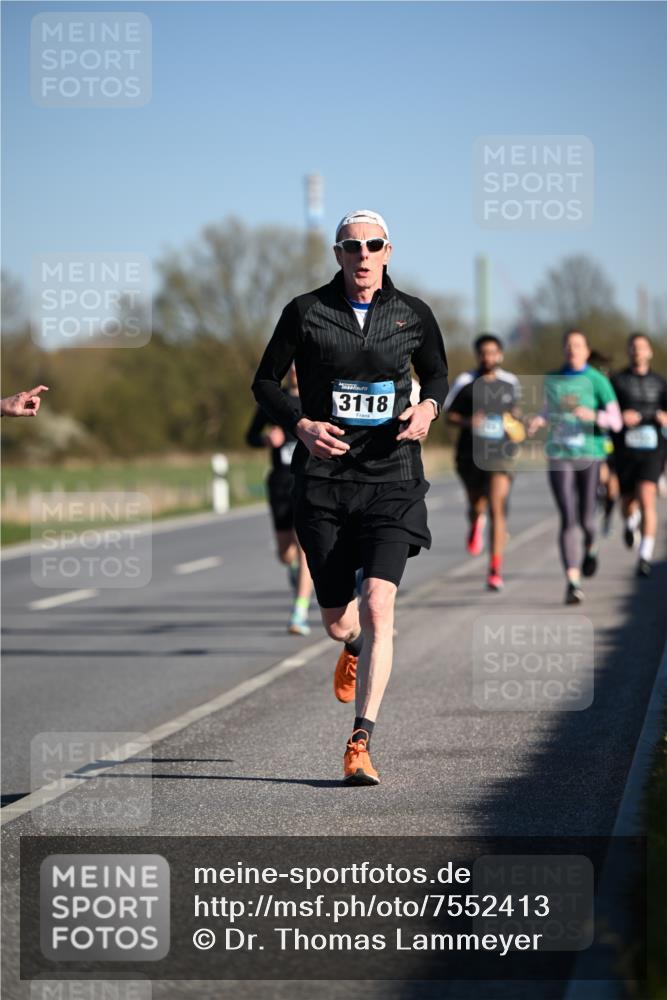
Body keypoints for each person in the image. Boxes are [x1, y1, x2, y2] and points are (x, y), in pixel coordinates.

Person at [252, 209, 448, 785]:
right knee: (341, 622)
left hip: (392, 479)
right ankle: (353, 646)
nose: (363, 255)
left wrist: (429, 408)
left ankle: (360, 742)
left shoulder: (413, 314)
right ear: (336, 253)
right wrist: (300, 423)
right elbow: (264, 381)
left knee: (380, 604)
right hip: (324, 482)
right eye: (351, 245)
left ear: (389, 251)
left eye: (374, 245)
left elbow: (436, 374)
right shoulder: (305, 311)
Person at [528, 330, 621, 604]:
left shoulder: (598, 380)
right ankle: (572, 580)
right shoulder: (553, 379)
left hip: (588, 453)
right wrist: (539, 420)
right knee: (567, 517)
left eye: (577, 345)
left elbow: (616, 421)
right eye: (568, 345)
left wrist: (593, 415)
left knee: (585, 518)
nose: (572, 349)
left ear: (587, 350)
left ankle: (591, 546)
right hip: (559, 452)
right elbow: (548, 410)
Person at [444, 334, 523, 590]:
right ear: (477, 355)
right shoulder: (465, 381)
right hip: (470, 455)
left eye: (493, 352)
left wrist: (517, 422)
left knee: (498, 508)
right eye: (483, 353)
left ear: (500, 355)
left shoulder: (510, 382)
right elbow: (448, 414)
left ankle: (495, 570)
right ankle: (475, 519)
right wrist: (468, 422)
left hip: (500, 454)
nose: (488, 357)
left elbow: (517, 411)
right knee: (476, 503)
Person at [245, 364, 314, 635]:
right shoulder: (274, 401)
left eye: (301, 363)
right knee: (286, 553)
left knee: (303, 546)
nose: (296, 369)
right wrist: (265, 439)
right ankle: (296, 574)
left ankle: (299, 610)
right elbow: (249, 436)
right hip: (280, 481)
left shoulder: (315, 398)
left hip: (307, 481)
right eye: (293, 365)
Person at [611, 333, 667, 576]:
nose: (638, 351)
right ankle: (630, 521)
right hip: (626, 449)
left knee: (647, 497)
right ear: (628, 351)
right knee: (628, 502)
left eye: (642, 347)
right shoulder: (618, 381)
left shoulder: (660, 382)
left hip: (653, 447)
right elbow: (608, 411)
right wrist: (621, 418)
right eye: (633, 347)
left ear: (649, 352)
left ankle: (644, 555)